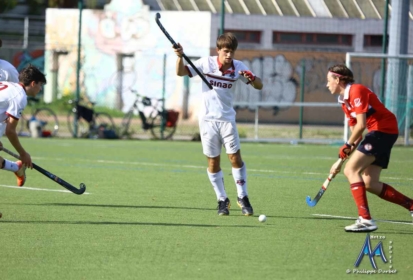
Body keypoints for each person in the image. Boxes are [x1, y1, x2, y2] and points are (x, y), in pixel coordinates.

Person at [173, 33, 263, 216]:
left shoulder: (239, 67)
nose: (229, 55)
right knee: (213, 161)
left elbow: (259, 86)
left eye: (232, 52)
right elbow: (181, 72)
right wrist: (179, 56)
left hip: (227, 119)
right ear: (219, 50)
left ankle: (242, 196)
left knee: (235, 158)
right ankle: (222, 200)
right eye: (226, 51)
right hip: (207, 120)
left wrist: (252, 79)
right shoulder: (206, 63)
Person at [327, 64, 413, 232]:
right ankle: (411, 206)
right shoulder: (344, 103)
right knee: (369, 183)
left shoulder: (356, 91)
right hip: (379, 133)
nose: (327, 84)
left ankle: (365, 219)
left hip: (383, 130)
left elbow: (360, 126)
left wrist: (346, 146)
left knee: (351, 171)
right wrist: (340, 160)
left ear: (338, 79)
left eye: (328, 80)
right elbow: (356, 135)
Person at [0, 64, 47, 187]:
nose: (40, 89)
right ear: (33, 83)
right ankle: (17, 167)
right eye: (40, 85)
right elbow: (10, 131)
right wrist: (23, 154)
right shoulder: (19, 96)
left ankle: (16, 168)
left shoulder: (10, 87)